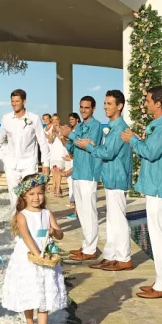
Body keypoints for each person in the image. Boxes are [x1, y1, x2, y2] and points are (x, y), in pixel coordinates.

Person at [121, 85, 162, 299]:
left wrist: (133, 140)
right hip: (158, 188)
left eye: (147, 100)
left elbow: (151, 153)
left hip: (159, 189)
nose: (145, 103)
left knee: (160, 238)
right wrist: (138, 139)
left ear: (158, 103)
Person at [1, 173, 67, 324]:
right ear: (24, 196)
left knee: (43, 293)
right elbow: (27, 237)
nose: (36, 197)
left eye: (39, 193)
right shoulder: (22, 215)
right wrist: (38, 255)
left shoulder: (47, 213)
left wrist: (54, 232)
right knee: (30, 290)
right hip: (29, 255)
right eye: (31, 194)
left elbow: (60, 234)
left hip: (45, 254)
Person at [75, 90, 133, 272]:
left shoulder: (120, 128)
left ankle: (124, 258)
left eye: (109, 104)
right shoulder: (113, 127)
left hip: (117, 177)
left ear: (120, 106)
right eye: (105, 103)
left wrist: (90, 146)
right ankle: (110, 256)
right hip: (110, 178)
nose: (105, 107)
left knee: (118, 220)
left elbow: (108, 153)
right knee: (112, 220)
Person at [0, 89, 51, 208]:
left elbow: (42, 142)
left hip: (29, 163)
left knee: (30, 193)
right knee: (14, 194)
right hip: (11, 163)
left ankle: (31, 220)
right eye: (12, 101)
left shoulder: (34, 118)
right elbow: (0, 138)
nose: (14, 104)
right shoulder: (6, 118)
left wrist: (46, 163)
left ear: (24, 101)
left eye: (17, 101)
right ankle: (16, 220)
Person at [61, 97, 103, 262]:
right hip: (78, 173)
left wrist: (70, 135)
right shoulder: (80, 126)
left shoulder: (96, 126)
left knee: (89, 212)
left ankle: (91, 249)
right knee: (83, 214)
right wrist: (64, 137)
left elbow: (85, 144)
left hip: (88, 173)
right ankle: (87, 245)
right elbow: (72, 147)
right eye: (81, 107)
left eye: (87, 107)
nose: (83, 110)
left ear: (93, 108)